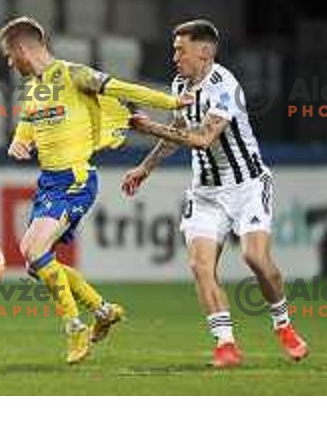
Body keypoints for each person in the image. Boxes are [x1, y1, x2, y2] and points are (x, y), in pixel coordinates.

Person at [0, 16, 192, 364]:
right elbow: (29, 119)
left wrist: (171, 103)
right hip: (49, 183)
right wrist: (19, 141)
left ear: (24, 48)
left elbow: (122, 88)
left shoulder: (73, 75)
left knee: (34, 248)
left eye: (11, 56)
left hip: (76, 179)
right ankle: (102, 311)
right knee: (36, 260)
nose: (10, 63)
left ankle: (75, 328)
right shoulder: (37, 86)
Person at [122, 19, 309, 368]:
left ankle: (283, 325)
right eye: (175, 49)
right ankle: (226, 344)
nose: (175, 56)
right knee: (200, 265)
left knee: (255, 259)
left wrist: (147, 126)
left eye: (181, 49)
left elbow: (203, 138)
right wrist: (145, 168)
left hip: (247, 187)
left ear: (205, 51)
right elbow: (179, 131)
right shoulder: (182, 84)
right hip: (205, 193)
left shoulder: (225, 86)